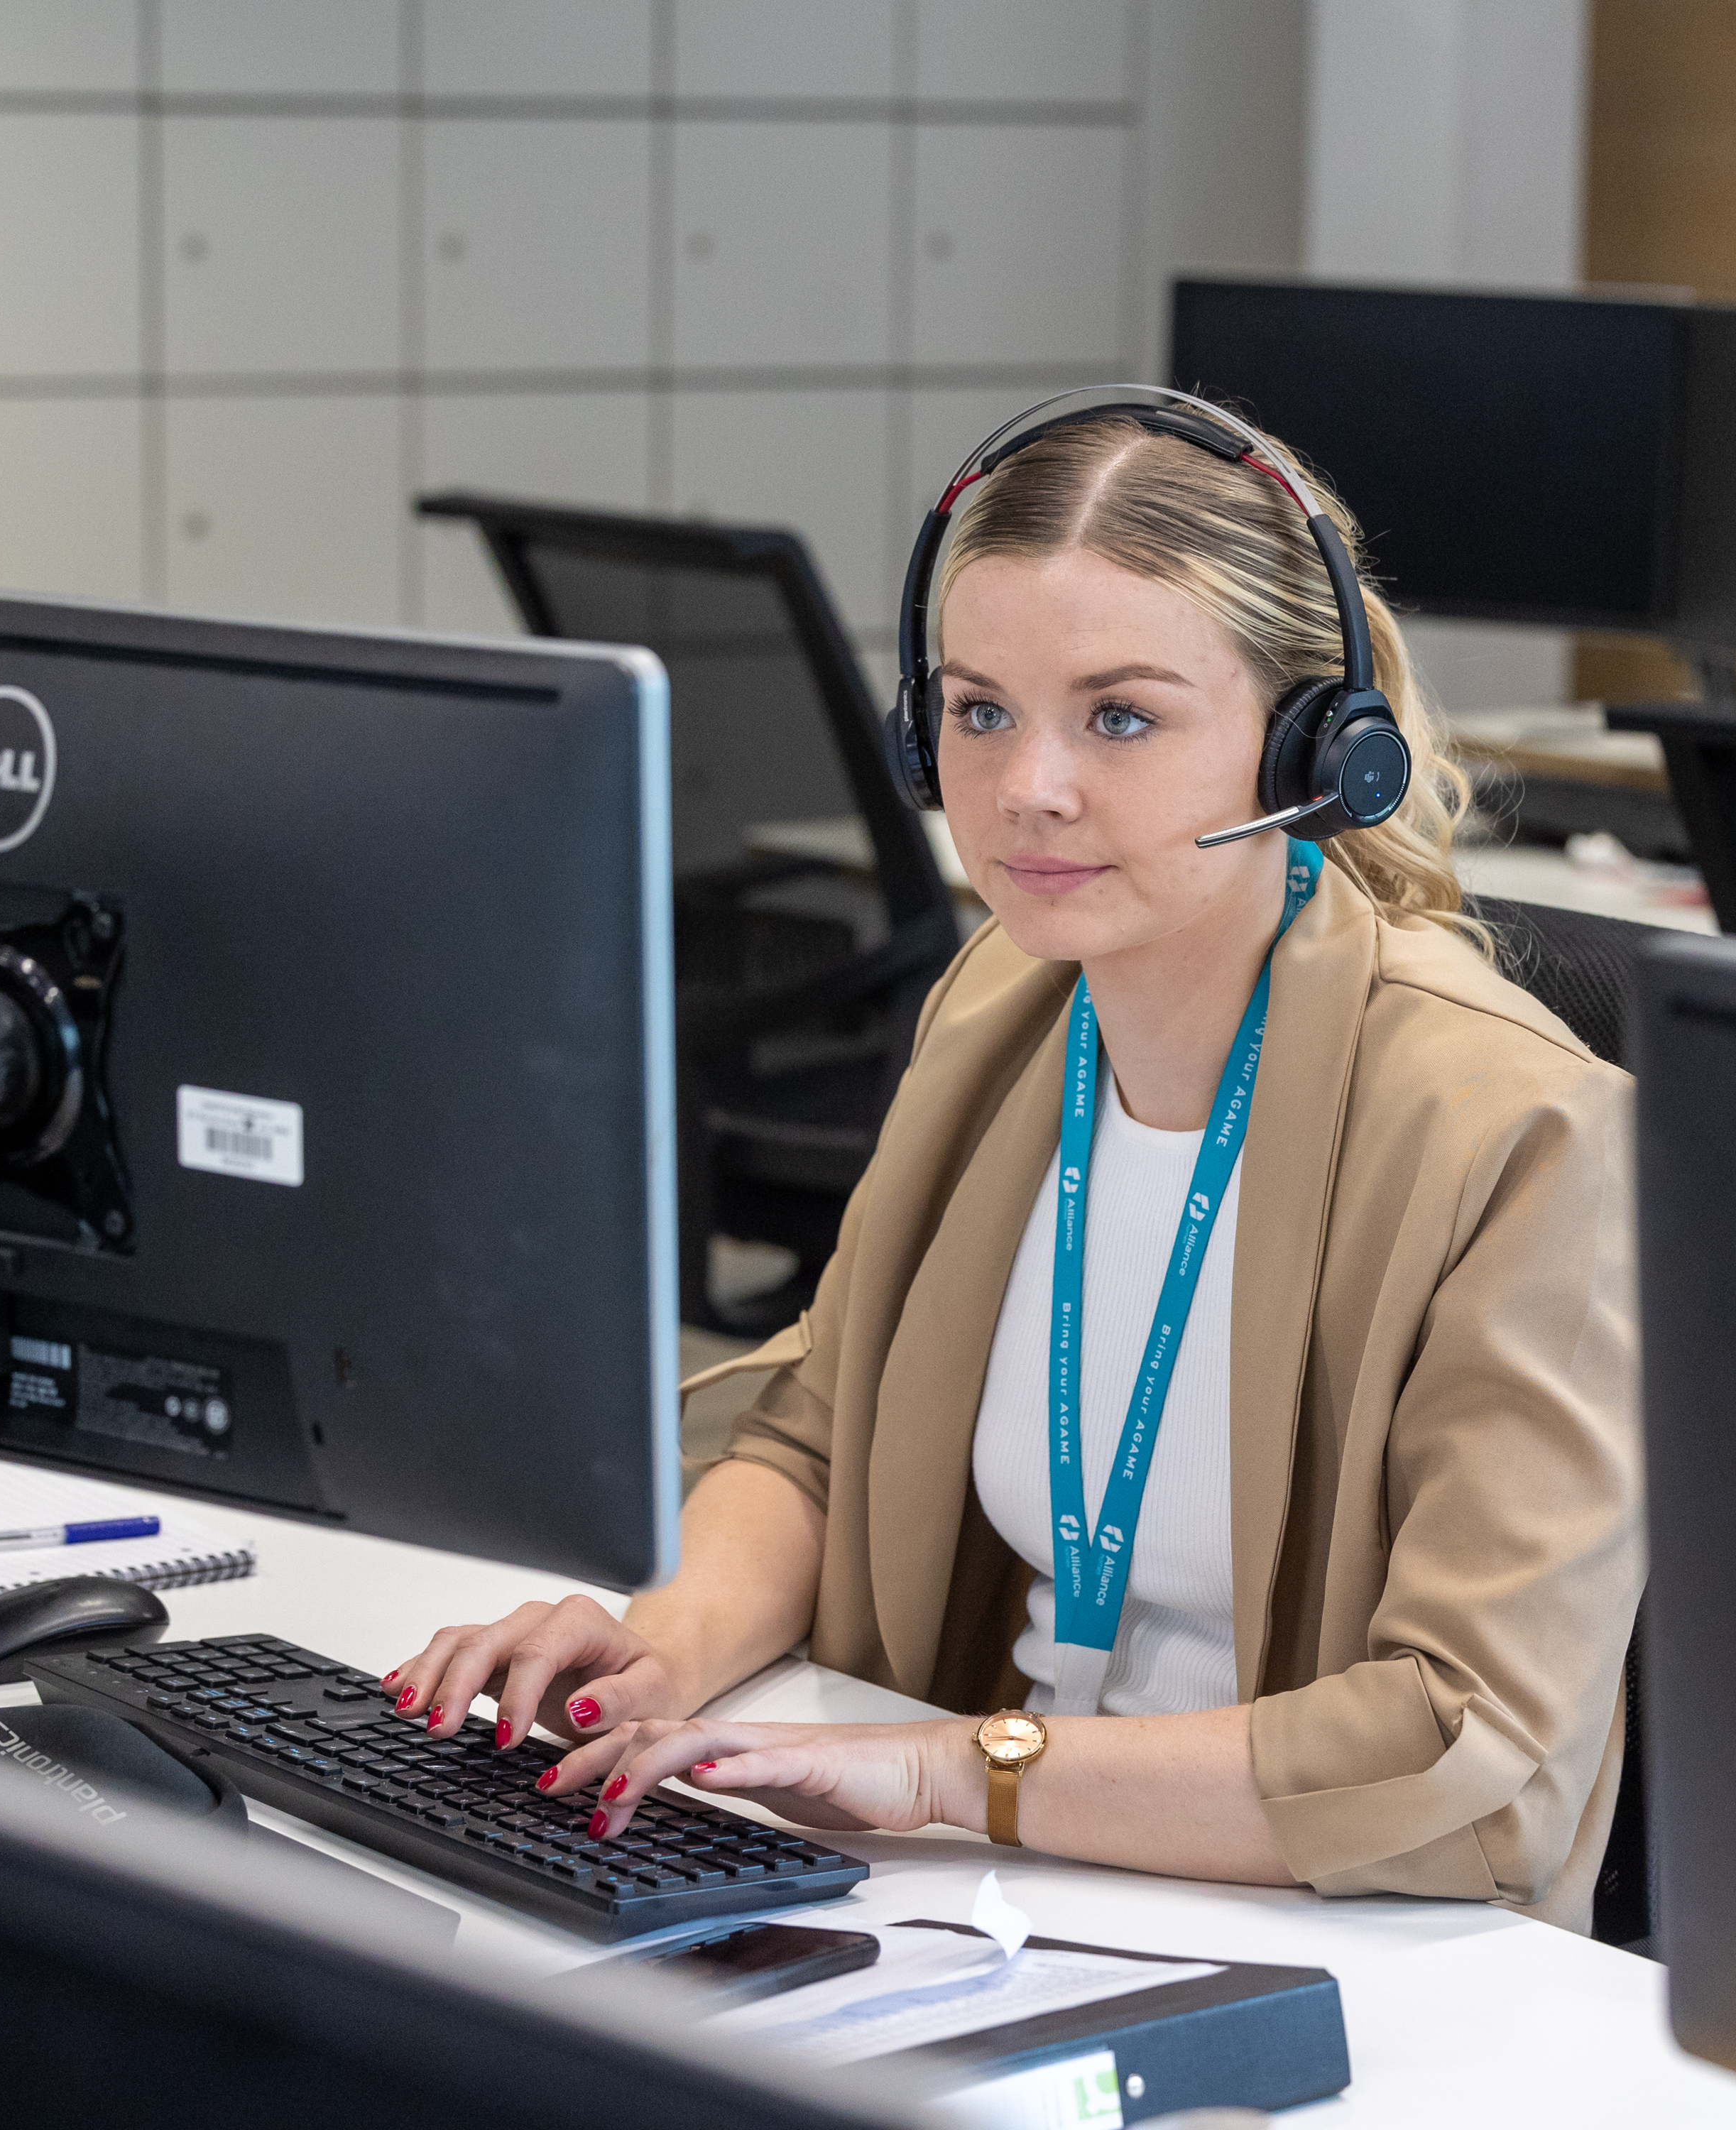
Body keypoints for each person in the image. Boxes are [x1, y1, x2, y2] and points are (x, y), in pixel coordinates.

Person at [390, 393, 1642, 1928]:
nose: (1028, 787)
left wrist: (952, 1775)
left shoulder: (1516, 1132)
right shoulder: (1005, 1007)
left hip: (1343, 1937)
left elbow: (1476, 1754)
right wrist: (667, 1645)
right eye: (980, 711)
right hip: (1012, 1889)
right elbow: (820, 1435)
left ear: (1316, 741)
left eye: (1120, 717)